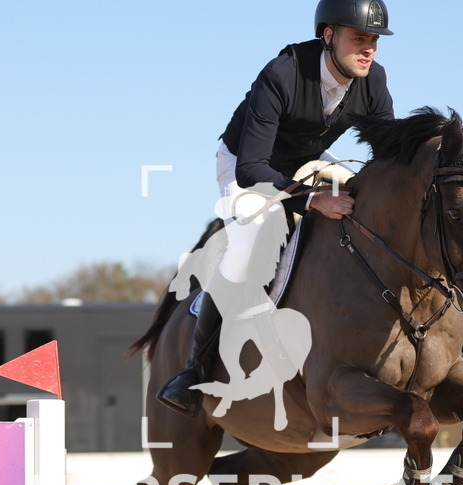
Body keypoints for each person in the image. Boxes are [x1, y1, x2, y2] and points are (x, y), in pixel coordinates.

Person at [157, 0, 396, 417]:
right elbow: (253, 168)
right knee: (249, 247)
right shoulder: (282, 74)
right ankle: (193, 370)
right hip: (243, 164)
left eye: (373, 40)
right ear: (328, 35)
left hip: (305, 163)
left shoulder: (373, 80)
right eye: (359, 38)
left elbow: (388, 155)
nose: (368, 49)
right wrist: (312, 200)